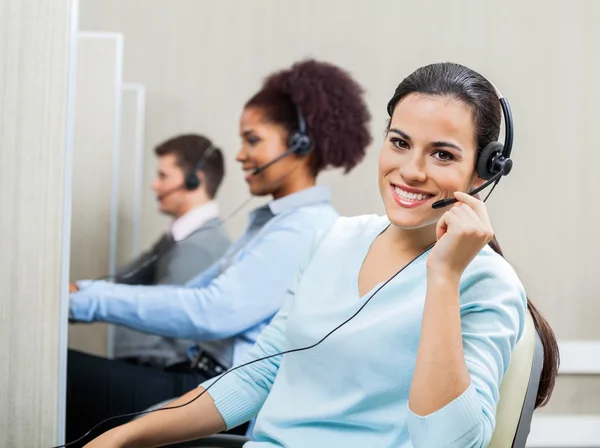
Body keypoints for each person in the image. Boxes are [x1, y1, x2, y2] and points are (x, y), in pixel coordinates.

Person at [83, 62, 559, 448]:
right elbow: (261, 373)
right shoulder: (333, 239)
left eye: (442, 154)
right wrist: (124, 436)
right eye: (399, 143)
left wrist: (442, 276)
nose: (410, 171)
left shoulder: (486, 283)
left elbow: (447, 443)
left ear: (484, 172)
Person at [66, 59, 372, 444]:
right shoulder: (271, 223)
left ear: (300, 145)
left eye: (252, 139)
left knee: (63, 374)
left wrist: (88, 302)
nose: (240, 155)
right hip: (198, 375)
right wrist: (87, 292)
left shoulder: (304, 228)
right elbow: (191, 294)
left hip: (222, 397)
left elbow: (211, 311)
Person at [72, 134, 230, 369]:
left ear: (194, 181)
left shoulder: (196, 248)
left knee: (67, 370)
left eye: (163, 176)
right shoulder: (179, 236)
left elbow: (168, 334)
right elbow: (126, 277)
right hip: (163, 365)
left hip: (174, 373)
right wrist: (77, 292)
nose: (154, 185)